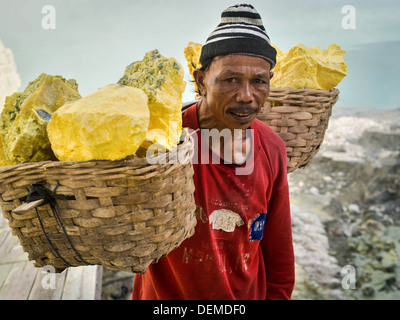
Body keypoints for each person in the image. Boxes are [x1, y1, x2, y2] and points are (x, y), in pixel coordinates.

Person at [132, 3, 295, 300]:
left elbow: (278, 247)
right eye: (230, 79)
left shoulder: (271, 148)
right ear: (201, 81)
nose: (247, 96)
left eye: (259, 81)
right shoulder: (163, 139)